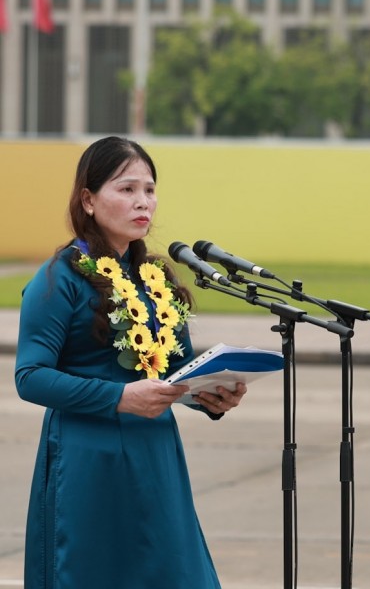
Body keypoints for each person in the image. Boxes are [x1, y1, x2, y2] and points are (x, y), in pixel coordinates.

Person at [14, 136, 247, 588]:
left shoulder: (156, 279)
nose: (143, 202)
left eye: (150, 190)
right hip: (88, 460)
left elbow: (177, 371)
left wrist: (210, 396)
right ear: (88, 200)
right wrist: (119, 397)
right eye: (127, 189)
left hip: (156, 457)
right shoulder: (58, 278)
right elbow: (31, 377)